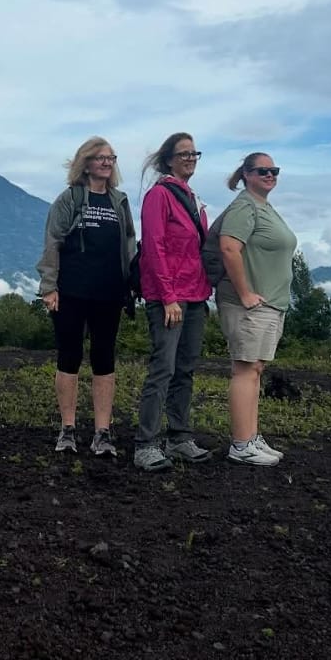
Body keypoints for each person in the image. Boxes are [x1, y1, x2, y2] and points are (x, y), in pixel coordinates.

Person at [37, 138, 137, 456]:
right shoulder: (69, 199)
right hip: (71, 291)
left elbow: (129, 243)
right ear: (86, 162)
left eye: (111, 158)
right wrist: (49, 287)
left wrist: (131, 284)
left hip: (109, 292)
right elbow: (53, 241)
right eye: (99, 158)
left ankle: (102, 433)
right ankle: (67, 429)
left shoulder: (119, 201)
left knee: (104, 358)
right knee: (69, 356)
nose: (106, 163)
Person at [134, 132, 213, 472]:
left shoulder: (192, 198)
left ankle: (179, 438)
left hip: (194, 296)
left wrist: (204, 292)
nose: (190, 158)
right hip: (170, 298)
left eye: (194, 153)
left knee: (185, 370)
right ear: (168, 160)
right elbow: (154, 247)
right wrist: (168, 298)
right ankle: (145, 445)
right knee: (163, 369)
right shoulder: (159, 196)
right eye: (183, 153)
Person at [215, 153, 296, 466]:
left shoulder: (263, 206)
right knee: (245, 370)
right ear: (246, 174)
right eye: (263, 171)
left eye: (274, 170)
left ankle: (250, 437)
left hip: (269, 304)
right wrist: (245, 293)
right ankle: (241, 444)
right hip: (248, 306)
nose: (270, 175)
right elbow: (228, 247)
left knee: (255, 370)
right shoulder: (245, 206)